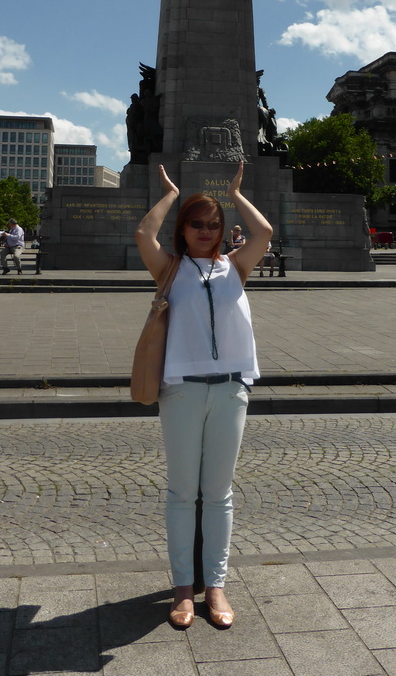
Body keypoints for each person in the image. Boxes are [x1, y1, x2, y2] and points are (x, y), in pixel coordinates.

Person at [134, 161, 272, 630]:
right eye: (198, 224)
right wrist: (171, 194)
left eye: (214, 226)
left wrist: (235, 195)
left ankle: (215, 586)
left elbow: (264, 231)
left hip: (231, 388)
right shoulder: (170, 269)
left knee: (217, 495)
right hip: (181, 392)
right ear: (184, 229)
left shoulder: (237, 266)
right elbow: (142, 235)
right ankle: (181, 590)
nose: (207, 232)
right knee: (181, 493)